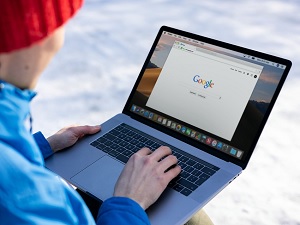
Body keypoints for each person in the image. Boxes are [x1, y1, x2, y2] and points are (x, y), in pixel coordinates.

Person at [0, 1, 213, 224]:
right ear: (18, 40)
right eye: (55, 27)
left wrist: (44, 147)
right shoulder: (16, 200)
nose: (58, 42)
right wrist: (130, 202)